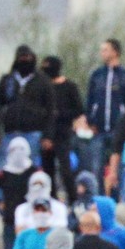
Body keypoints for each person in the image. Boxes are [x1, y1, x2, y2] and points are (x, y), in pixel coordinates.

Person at [85, 39, 125, 184]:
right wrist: (90, 121)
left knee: (119, 169)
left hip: (119, 130)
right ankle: (98, 200)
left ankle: (117, 200)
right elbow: (89, 101)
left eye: (105, 50)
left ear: (115, 52)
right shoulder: (96, 75)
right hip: (99, 130)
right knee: (96, 168)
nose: (102, 53)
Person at [0, 45, 56, 165]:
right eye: (21, 57)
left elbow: (51, 109)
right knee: (4, 167)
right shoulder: (8, 80)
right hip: (10, 132)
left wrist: (48, 136)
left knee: (31, 167)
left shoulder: (43, 81)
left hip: (33, 132)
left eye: (27, 57)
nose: (24, 61)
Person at [38, 56, 84, 194]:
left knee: (66, 170)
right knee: (47, 171)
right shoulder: (42, 87)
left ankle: (72, 199)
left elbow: (79, 109)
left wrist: (60, 114)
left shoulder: (69, 87)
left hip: (63, 133)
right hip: (46, 133)